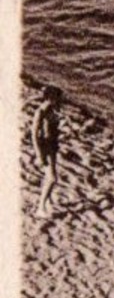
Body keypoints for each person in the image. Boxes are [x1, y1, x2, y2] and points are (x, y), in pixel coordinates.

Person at [31, 86, 63, 219]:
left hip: (52, 145)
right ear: (51, 98)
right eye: (57, 98)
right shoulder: (40, 112)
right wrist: (39, 155)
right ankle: (40, 207)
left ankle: (47, 201)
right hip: (44, 147)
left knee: (50, 177)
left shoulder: (52, 109)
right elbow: (34, 135)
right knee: (52, 178)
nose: (60, 100)